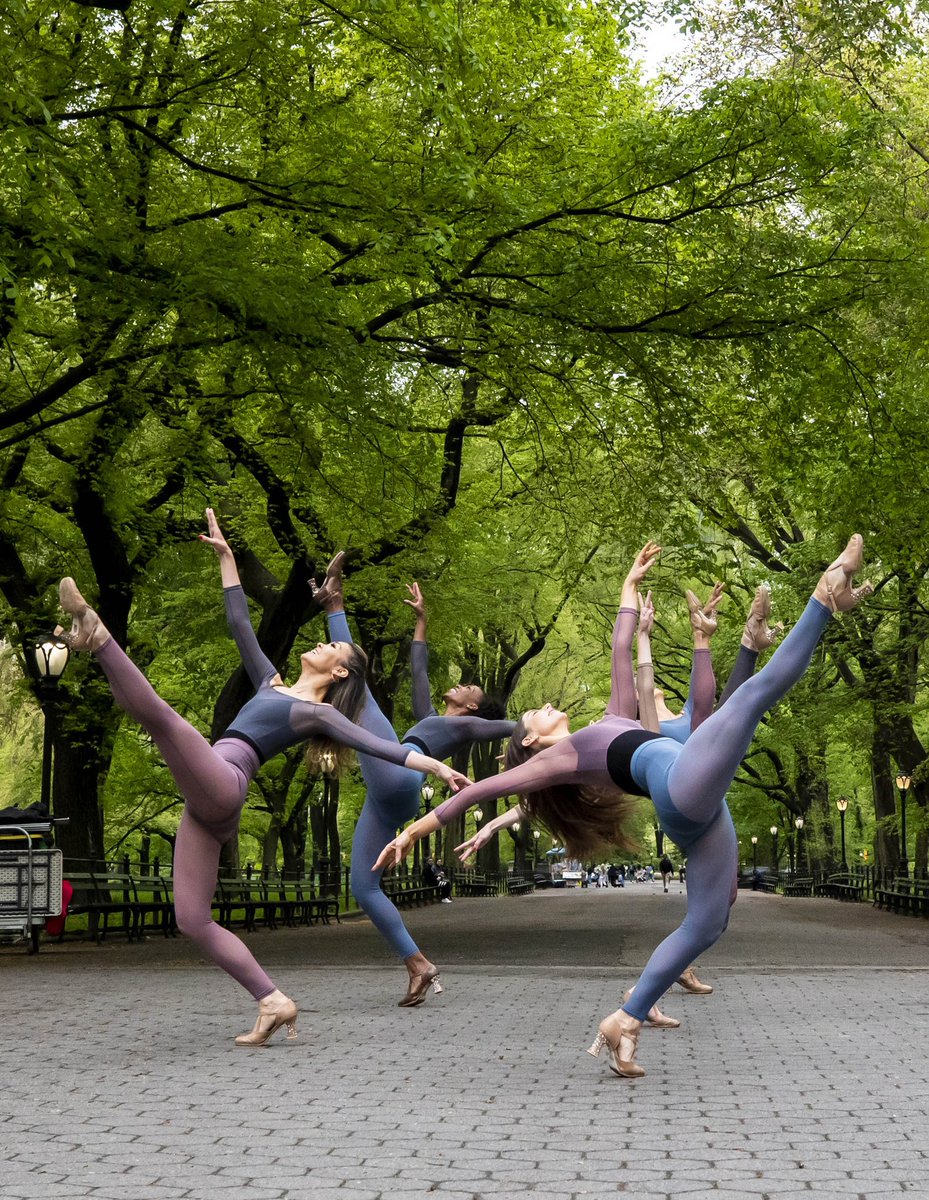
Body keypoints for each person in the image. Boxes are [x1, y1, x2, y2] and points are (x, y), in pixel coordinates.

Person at [374, 535, 872, 1078]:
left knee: (708, 923)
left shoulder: (612, 715)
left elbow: (619, 647)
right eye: (530, 719)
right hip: (682, 790)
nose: (540, 708)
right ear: (534, 743)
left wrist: (628, 586)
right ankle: (824, 597)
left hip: (701, 813)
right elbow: (475, 792)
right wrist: (411, 834)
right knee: (753, 697)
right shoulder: (558, 758)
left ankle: (626, 1020)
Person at [56, 510, 466, 1046]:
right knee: (191, 919)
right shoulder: (272, 683)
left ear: (338, 672)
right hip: (208, 797)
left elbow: (381, 747)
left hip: (225, 778)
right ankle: (272, 1000)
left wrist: (435, 764)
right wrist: (228, 560)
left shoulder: (315, 714)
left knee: (163, 718)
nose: (321, 644)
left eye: (331, 648)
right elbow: (240, 626)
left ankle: (100, 637)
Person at [311, 560, 513, 1007]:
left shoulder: (466, 728)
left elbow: (512, 727)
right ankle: (417, 964)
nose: (461, 684)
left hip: (401, 776)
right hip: (388, 796)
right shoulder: (432, 718)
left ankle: (335, 604)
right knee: (363, 886)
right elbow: (419, 674)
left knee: (358, 693)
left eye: (470, 688)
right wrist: (421, 622)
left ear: (474, 709)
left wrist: (563, 738)